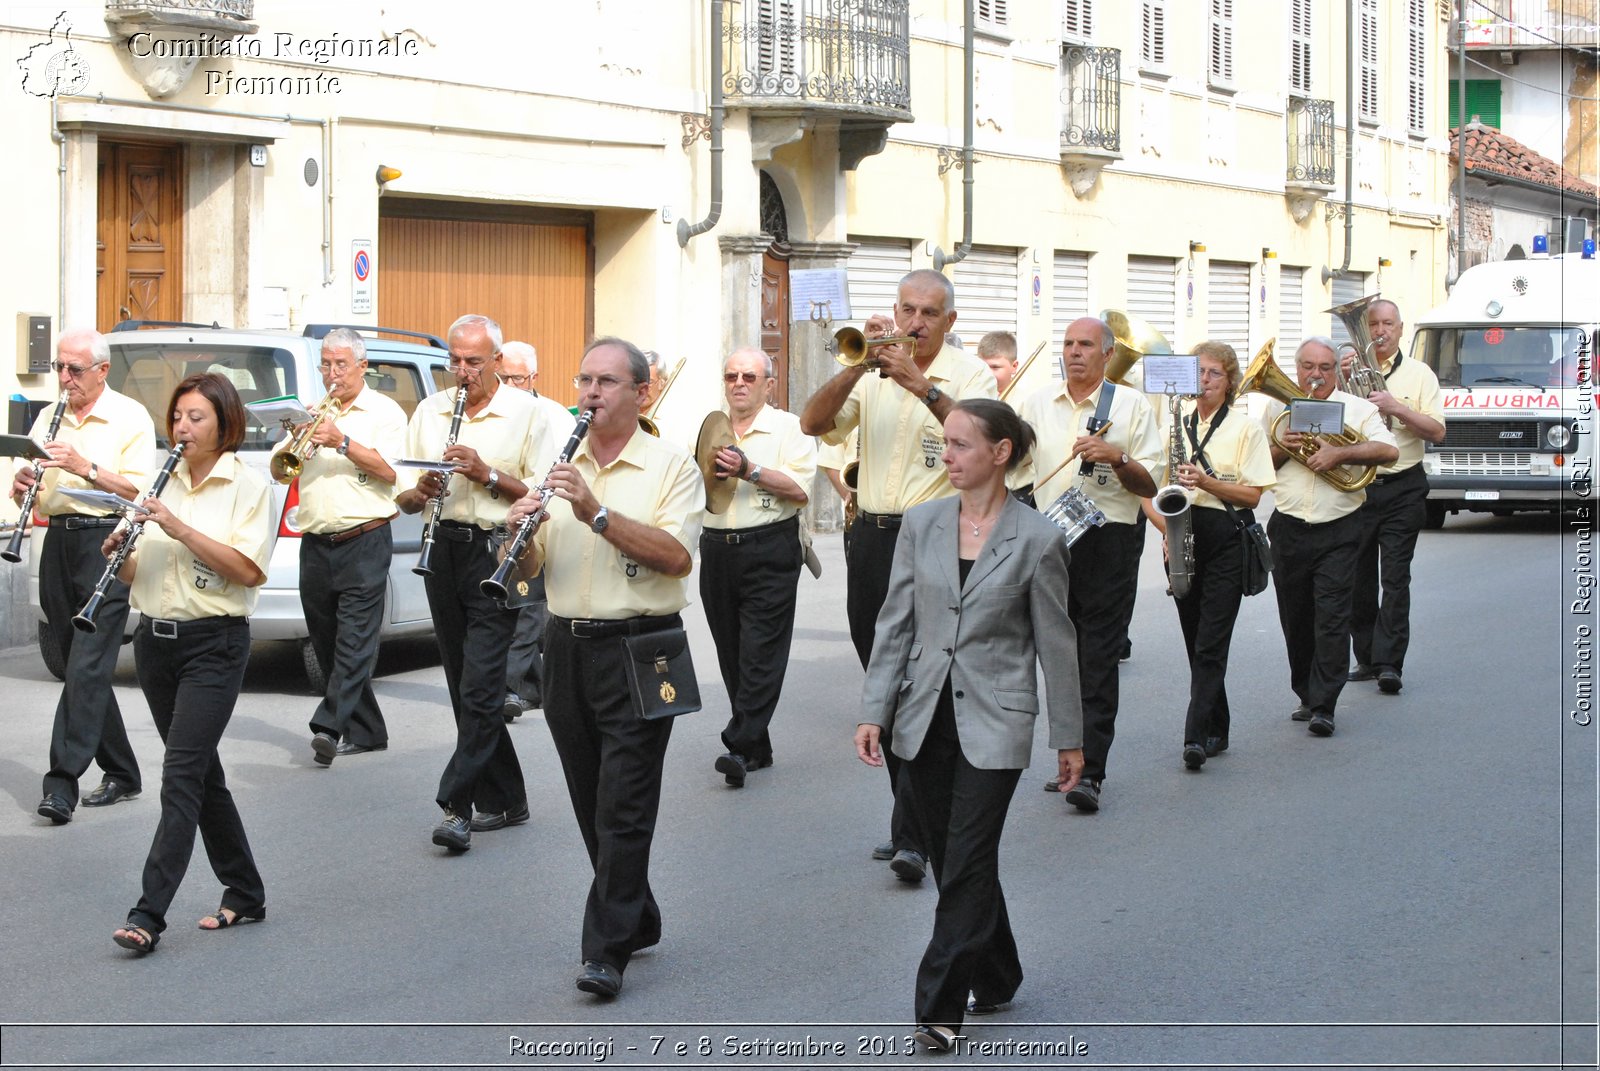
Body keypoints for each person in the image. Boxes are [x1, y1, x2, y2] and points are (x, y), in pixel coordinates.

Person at [855, 398, 1083, 1051]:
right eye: (944, 443)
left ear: (1000, 452)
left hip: (998, 717)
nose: (946, 455)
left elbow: (1057, 643)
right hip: (922, 714)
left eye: (959, 444)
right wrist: (873, 709)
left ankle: (938, 1006)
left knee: (971, 855)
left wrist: (1070, 735)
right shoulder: (922, 523)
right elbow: (895, 622)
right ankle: (1000, 969)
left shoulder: (1038, 537)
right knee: (957, 857)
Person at [507, 336, 704, 1000]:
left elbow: (674, 556)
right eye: (584, 379)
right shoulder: (554, 461)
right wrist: (516, 538)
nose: (590, 393)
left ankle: (605, 949)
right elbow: (533, 569)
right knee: (592, 798)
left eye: (607, 382)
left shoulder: (672, 465)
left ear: (641, 393)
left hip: (643, 645)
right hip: (565, 644)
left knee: (624, 803)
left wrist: (594, 510)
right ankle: (636, 912)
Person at [800, 268, 997, 882]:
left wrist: (923, 389)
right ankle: (912, 816)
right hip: (873, 538)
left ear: (949, 322)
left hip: (937, 540)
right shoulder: (875, 372)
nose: (914, 323)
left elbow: (988, 447)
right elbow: (812, 423)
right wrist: (858, 367)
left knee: (921, 684)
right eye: (907, 309)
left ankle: (913, 832)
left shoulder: (972, 377)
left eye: (928, 313)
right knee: (881, 676)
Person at [107, 372, 274, 954]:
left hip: (215, 643)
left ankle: (148, 914)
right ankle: (245, 890)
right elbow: (138, 573)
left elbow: (248, 570)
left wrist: (176, 527)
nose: (182, 427)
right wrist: (121, 553)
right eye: (177, 415)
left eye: (196, 417)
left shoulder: (247, 486)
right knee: (203, 773)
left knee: (179, 774)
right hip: (155, 642)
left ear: (224, 423)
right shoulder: (161, 479)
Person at [396, 315, 544, 852]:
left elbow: (541, 491)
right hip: (444, 550)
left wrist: (485, 473)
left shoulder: (528, 413)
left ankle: (457, 805)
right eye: (454, 361)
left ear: (497, 362)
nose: (462, 372)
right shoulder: (431, 410)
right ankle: (509, 797)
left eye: (473, 362)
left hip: (497, 551)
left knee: (482, 684)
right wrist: (422, 488)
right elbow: (405, 499)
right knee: (464, 685)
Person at [1016, 316, 1161, 813]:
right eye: (1069, 344)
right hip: (1049, 538)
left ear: (1107, 354)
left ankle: (1090, 771)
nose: (1075, 352)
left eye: (1086, 345)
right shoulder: (1037, 402)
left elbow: (1149, 486)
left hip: (1108, 540)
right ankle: (1066, 759)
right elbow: (1012, 466)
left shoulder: (1131, 405)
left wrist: (1117, 458)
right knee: (1056, 654)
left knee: (1096, 657)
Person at [14, 328, 155, 825]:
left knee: (88, 665)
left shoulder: (128, 416)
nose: (65, 378)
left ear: (102, 371)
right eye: (59, 367)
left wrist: (84, 465)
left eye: (75, 369)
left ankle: (61, 784)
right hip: (57, 539)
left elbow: (138, 486)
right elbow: (32, 480)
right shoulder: (49, 415)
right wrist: (23, 483)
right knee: (81, 663)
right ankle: (122, 770)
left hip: (107, 541)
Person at [279, 329, 408, 767]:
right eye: (326, 365)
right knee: (329, 641)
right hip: (315, 542)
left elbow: (393, 471)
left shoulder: (385, 412)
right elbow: (284, 469)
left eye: (341, 365)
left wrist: (342, 442)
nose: (332, 374)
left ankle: (328, 725)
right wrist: (298, 434)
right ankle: (369, 730)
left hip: (365, 538)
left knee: (354, 641)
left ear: (362, 366)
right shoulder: (315, 412)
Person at [1266, 338, 1398, 737]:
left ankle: (1325, 704)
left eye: (1325, 367)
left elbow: (1388, 450)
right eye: (1308, 366)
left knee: (1332, 617)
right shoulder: (1276, 409)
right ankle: (1306, 694)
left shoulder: (1358, 409)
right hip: (1289, 524)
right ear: (1297, 368)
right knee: (1296, 616)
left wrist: (1341, 454)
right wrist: (1282, 448)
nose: (1316, 375)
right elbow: (1256, 466)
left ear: (1337, 371)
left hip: (1339, 526)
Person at [700, 347, 817, 787]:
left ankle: (737, 741)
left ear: (769, 384)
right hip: (716, 548)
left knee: (760, 653)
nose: (739, 384)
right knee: (731, 652)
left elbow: (801, 489)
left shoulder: (790, 428)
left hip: (770, 546)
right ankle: (757, 746)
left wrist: (750, 470)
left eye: (749, 376)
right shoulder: (711, 427)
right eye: (731, 376)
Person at [1164, 342, 1276, 769]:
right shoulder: (1176, 423)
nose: (1205, 382)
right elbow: (1152, 490)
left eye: (1214, 374)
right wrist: (1166, 533)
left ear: (1229, 382)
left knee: (1211, 642)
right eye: (1199, 374)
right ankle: (1218, 726)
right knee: (1196, 641)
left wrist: (1207, 483)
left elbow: (1252, 493)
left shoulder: (1245, 428)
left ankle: (1194, 737)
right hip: (1184, 534)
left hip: (1227, 536)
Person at [1345, 300, 1446, 695]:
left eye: (1388, 324)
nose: (1381, 331)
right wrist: (1342, 382)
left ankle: (1390, 663)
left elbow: (1436, 432)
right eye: (1373, 324)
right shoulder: (1348, 372)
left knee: (1396, 577)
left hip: (1403, 485)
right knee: (1358, 578)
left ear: (1401, 329)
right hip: (1360, 487)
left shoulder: (1420, 374)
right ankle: (1367, 657)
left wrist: (1396, 408)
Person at [497, 340, 576, 721]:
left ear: (533, 377)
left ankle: (509, 689)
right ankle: (534, 686)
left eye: (515, 378)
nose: (508, 385)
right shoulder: (494, 412)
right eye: (502, 377)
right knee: (509, 608)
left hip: (539, 519)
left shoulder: (553, 414)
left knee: (527, 609)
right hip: (496, 520)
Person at [977, 331, 1019, 395]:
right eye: (983, 366)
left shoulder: (1025, 402)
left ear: (1014, 367)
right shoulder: (971, 395)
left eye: (995, 367)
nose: (987, 373)